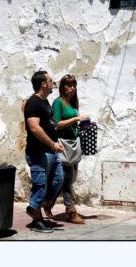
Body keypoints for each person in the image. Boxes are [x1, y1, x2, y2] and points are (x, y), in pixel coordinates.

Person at [23, 70, 64, 234]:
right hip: (38, 152)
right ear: (43, 84)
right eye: (51, 81)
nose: (54, 83)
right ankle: (36, 217)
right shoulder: (33, 103)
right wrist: (52, 144)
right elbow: (34, 127)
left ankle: (36, 207)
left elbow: (50, 125)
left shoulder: (45, 102)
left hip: (51, 151)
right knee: (40, 185)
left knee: (58, 179)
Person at [51, 74, 89, 224]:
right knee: (67, 179)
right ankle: (70, 211)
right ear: (62, 87)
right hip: (63, 144)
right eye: (68, 84)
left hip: (74, 143)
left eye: (74, 84)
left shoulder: (73, 103)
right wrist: (75, 119)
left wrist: (83, 123)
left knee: (70, 179)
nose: (71, 87)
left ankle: (48, 202)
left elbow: (74, 123)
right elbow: (57, 124)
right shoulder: (58, 102)